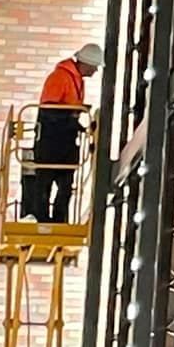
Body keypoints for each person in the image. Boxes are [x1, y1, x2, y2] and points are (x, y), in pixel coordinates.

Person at [20, 43, 103, 221]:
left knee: (66, 185)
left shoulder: (76, 80)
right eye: (94, 66)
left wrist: (75, 120)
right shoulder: (60, 77)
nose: (95, 71)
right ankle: (42, 218)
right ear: (85, 63)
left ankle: (59, 219)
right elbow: (48, 110)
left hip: (65, 139)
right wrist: (72, 115)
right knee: (45, 182)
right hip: (51, 140)